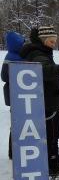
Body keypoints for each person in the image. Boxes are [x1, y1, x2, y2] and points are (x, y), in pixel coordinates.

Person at [20, 26, 59, 176]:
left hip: (48, 100)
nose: (54, 44)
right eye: (51, 41)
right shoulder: (38, 54)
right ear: (43, 40)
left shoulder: (42, 52)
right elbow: (44, 70)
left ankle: (50, 162)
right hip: (47, 103)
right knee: (52, 135)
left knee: (52, 134)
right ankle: (53, 165)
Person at [1, 31, 25, 159]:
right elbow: (4, 76)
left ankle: (15, 150)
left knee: (19, 123)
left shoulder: (18, 55)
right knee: (17, 123)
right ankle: (13, 151)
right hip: (16, 95)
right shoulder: (11, 57)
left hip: (20, 95)